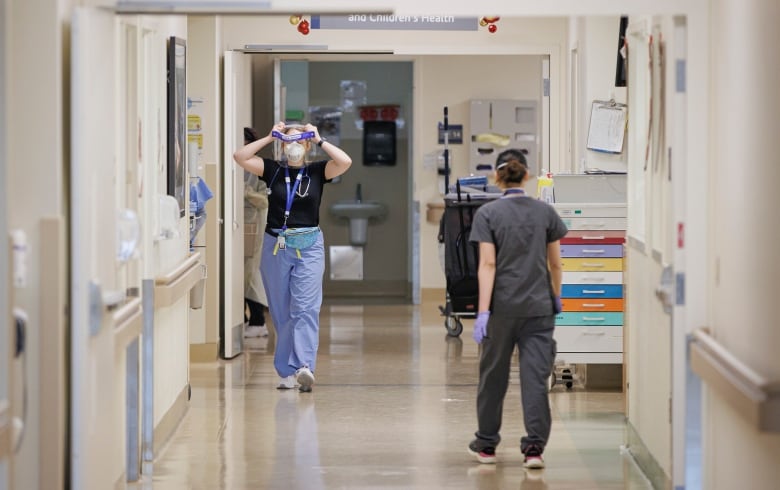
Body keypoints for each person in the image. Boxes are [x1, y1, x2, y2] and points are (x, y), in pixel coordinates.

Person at [233, 121, 352, 392]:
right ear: (281, 145)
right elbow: (240, 157)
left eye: (299, 141)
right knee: (281, 311)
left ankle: (304, 366)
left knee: (306, 308)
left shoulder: (317, 171)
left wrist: (321, 139)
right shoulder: (273, 170)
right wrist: (269, 136)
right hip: (277, 245)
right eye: (288, 142)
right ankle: (286, 371)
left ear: (308, 144)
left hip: (309, 245)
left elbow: (345, 161)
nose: (293, 146)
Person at [466, 157, 568, 469]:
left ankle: (486, 445)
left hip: (502, 309)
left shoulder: (488, 213)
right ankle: (534, 448)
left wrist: (483, 313)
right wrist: (556, 296)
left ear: (497, 177)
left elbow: (488, 265)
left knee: (493, 377)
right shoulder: (545, 212)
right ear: (526, 176)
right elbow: (555, 264)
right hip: (539, 307)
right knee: (535, 378)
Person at [243, 128, 269, 338]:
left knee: (252, 271)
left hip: (255, 224)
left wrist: (247, 193)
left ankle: (258, 319)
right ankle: (245, 318)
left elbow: (265, 200)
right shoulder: (235, 165)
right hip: (238, 226)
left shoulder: (259, 168)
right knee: (241, 273)